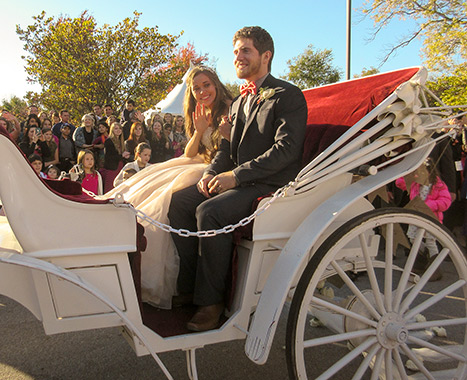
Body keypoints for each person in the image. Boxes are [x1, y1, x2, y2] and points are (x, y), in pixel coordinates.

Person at [167, 26, 307, 331]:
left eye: (246, 51)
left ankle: (212, 302)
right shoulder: (241, 102)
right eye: (235, 52)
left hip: (270, 184)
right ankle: (191, 286)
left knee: (210, 211)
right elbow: (228, 149)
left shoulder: (288, 95)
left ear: (265, 55)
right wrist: (211, 173)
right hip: (241, 180)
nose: (238, 57)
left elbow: (286, 151)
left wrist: (236, 177)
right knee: (179, 201)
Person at [101, 65, 233, 309]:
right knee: (148, 181)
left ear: (215, 84)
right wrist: (200, 131)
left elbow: (227, 151)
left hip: (218, 165)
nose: (202, 91)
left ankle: (187, 280)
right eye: (196, 88)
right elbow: (191, 151)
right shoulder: (197, 111)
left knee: (168, 197)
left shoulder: (229, 109)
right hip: (196, 160)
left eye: (206, 85)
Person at [396, 158, 452, 281]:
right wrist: (408, 172)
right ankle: (421, 260)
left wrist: (430, 205)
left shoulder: (438, 185)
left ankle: (434, 267)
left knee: (430, 241)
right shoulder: (415, 183)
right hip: (416, 218)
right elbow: (399, 183)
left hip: (431, 218)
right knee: (413, 238)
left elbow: (446, 201)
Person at [101, 122, 130, 192]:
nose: (118, 130)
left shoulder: (121, 141)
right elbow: (109, 157)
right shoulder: (109, 141)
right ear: (112, 130)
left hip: (120, 167)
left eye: (120, 128)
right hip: (112, 168)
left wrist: (125, 156)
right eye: (116, 128)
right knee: (110, 189)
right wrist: (121, 156)